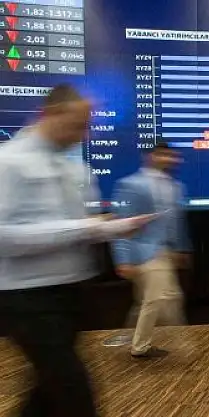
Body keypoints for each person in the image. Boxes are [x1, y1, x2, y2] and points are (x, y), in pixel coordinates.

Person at [0, 84, 152, 417]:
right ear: (50, 114)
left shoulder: (75, 168)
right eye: (77, 125)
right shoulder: (9, 162)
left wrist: (110, 228)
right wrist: (86, 228)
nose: (84, 134)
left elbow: (81, 226)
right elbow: (4, 236)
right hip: (26, 298)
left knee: (46, 394)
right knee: (74, 393)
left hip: (71, 294)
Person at [112, 142, 192, 358]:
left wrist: (181, 249)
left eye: (172, 156)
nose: (170, 160)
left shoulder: (175, 187)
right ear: (152, 157)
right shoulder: (131, 184)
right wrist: (123, 259)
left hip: (165, 252)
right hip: (143, 252)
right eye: (164, 155)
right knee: (160, 298)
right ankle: (153, 346)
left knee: (152, 300)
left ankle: (134, 340)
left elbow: (177, 222)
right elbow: (122, 224)